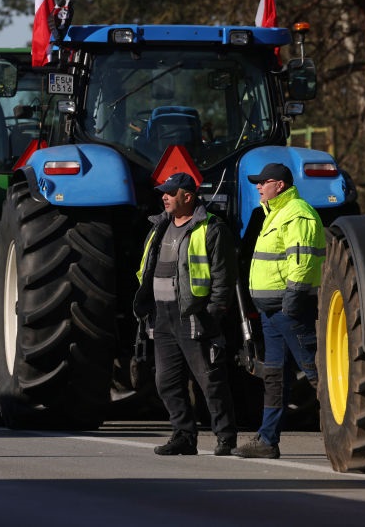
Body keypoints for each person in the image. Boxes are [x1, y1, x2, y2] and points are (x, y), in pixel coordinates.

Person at [134, 171, 239, 456]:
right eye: (163, 192)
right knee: (166, 382)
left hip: (194, 315)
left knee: (210, 379)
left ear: (188, 196)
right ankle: (183, 436)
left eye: (170, 192)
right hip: (162, 316)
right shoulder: (159, 227)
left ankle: (226, 437)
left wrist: (213, 313)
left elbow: (223, 277)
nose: (164, 197)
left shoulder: (212, 228)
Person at [233, 162, 325, 459]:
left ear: (280, 185)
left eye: (263, 182)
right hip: (272, 312)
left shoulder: (297, 213)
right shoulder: (272, 214)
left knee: (316, 372)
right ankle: (267, 440)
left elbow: (303, 261)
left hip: (289, 310)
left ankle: (354, 429)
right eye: (257, 183)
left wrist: (292, 301)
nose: (258, 187)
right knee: (274, 377)